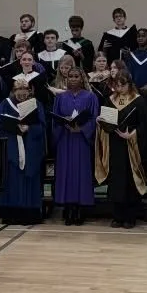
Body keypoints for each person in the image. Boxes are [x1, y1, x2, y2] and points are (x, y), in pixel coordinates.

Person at [95, 63, 147, 228]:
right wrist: (101, 122)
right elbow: (106, 120)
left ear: (129, 84)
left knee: (130, 181)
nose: (119, 88)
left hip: (131, 146)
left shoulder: (138, 101)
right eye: (117, 85)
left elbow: (146, 124)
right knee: (116, 180)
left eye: (122, 85)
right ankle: (117, 215)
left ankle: (130, 216)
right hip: (114, 144)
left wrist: (132, 134)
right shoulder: (110, 100)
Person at [52, 66, 100, 225]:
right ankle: (68, 209)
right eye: (70, 76)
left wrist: (82, 128)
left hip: (82, 141)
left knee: (81, 174)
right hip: (65, 139)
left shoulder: (90, 97)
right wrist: (63, 123)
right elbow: (55, 118)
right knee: (66, 173)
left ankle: (80, 211)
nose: (73, 79)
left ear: (82, 78)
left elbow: (94, 119)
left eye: (76, 76)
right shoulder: (60, 97)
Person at [0, 78, 45, 225]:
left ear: (29, 91)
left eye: (24, 90)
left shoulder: (36, 104)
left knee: (29, 179)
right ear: (13, 91)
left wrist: (29, 128)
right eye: (18, 90)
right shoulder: (5, 104)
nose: (21, 93)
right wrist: (14, 128)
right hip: (12, 145)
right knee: (12, 179)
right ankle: (11, 213)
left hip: (30, 148)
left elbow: (42, 126)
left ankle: (29, 213)